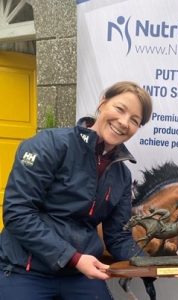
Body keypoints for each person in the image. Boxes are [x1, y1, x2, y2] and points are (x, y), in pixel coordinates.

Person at [0, 81, 153, 300]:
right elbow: (17, 213)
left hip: (79, 275)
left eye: (134, 120)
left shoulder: (122, 175)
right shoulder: (49, 144)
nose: (123, 122)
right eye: (120, 109)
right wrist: (74, 258)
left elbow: (118, 236)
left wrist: (152, 265)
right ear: (103, 103)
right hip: (25, 269)